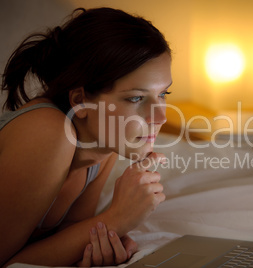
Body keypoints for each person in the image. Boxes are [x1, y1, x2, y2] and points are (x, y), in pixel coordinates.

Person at [0, 7, 172, 267]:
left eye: (163, 95)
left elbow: (71, 232)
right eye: (136, 98)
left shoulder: (103, 145)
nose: (161, 118)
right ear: (80, 101)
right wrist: (117, 218)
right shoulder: (47, 131)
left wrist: (105, 237)